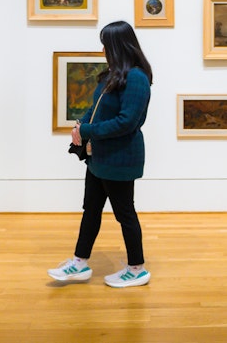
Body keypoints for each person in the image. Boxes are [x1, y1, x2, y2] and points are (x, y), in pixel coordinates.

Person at [48, 21, 153, 288]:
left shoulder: (137, 78)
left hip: (120, 158)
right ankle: (79, 263)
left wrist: (89, 130)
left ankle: (137, 268)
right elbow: (94, 108)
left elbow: (127, 121)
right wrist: (80, 126)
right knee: (91, 210)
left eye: (106, 43)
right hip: (99, 158)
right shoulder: (111, 75)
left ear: (118, 45)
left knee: (124, 213)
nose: (103, 48)